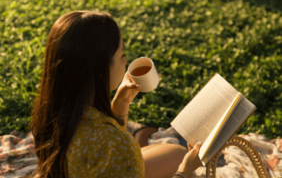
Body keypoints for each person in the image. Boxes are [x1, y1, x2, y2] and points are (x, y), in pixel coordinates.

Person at [29, 10, 202, 178]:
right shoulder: (118, 145)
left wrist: (121, 102)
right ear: (102, 69)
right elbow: (113, 145)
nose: (126, 61)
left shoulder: (50, 115)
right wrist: (185, 172)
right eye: (122, 55)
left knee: (176, 153)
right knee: (182, 160)